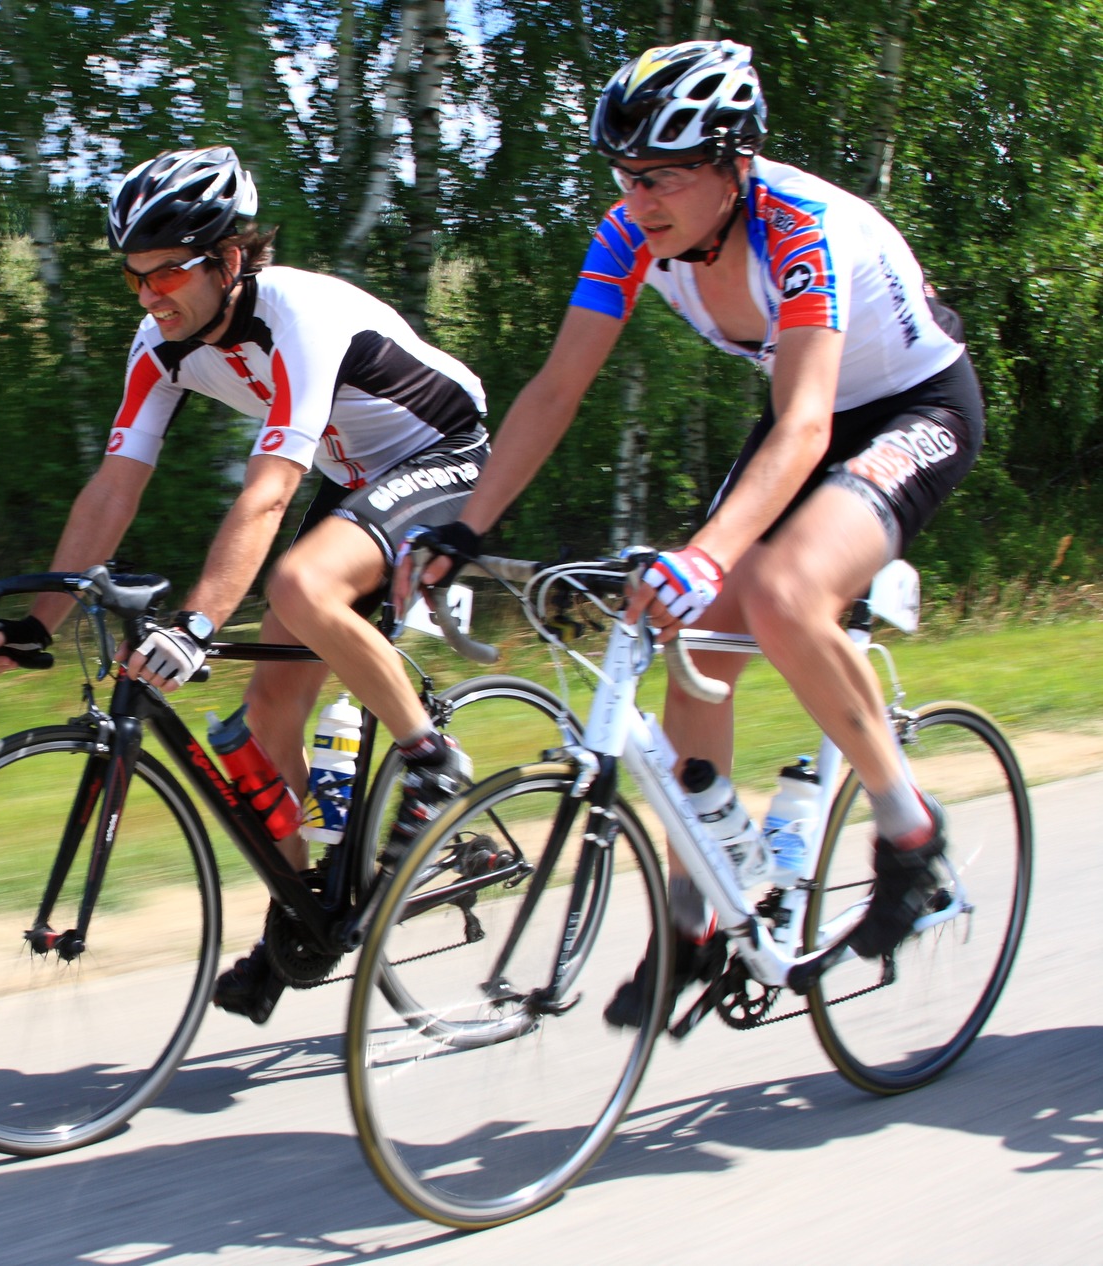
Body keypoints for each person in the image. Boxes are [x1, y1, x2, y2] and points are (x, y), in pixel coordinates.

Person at [403, 40, 981, 1023]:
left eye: (663, 176)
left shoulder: (798, 224)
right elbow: (556, 389)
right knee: (690, 640)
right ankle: (694, 918)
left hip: (912, 408)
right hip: (805, 414)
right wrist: (464, 526)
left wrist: (707, 554)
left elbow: (807, 425)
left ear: (732, 162)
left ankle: (910, 834)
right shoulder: (629, 234)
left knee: (781, 593)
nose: (640, 199)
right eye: (625, 175)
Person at [0, 146, 491, 1024]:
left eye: (167, 272)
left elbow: (270, 490)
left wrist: (199, 622)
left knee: (299, 586)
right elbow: (115, 487)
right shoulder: (159, 346)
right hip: (356, 478)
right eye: (135, 276)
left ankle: (434, 765)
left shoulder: (300, 314)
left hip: (450, 456)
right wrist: (41, 623)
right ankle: (309, 919)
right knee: (270, 709)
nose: (149, 295)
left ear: (230, 259)